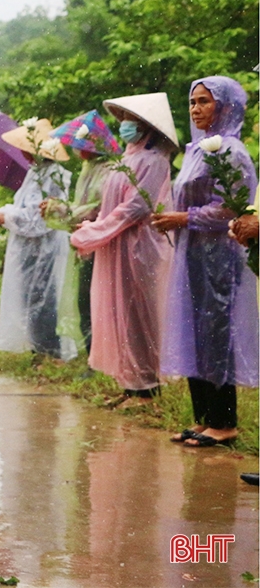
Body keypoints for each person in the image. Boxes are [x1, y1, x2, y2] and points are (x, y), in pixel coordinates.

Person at [151, 76, 258, 447]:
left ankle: (224, 422)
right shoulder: (196, 149)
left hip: (219, 256)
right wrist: (174, 218)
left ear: (226, 106)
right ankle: (204, 418)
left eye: (204, 101)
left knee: (216, 331)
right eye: (192, 101)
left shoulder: (230, 150)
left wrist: (183, 219)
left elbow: (233, 208)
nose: (196, 108)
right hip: (193, 252)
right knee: (193, 327)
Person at [71, 94, 176, 407]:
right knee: (121, 315)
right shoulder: (126, 160)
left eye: (132, 121)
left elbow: (137, 207)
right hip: (117, 248)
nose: (125, 127)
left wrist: (96, 232)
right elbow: (110, 206)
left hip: (139, 248)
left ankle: (147, 388)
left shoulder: (154, 161)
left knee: (139, 314)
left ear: (146, 127)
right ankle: (130, 383)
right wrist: (94, 229)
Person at [0, 119, 72, 358]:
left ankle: (49, 351)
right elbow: (24, 206)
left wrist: (5, 218)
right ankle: (36, 348)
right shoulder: (36, 173)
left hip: (45, 247)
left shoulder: (54, 176)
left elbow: (39, 218)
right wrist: (4, 212)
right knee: (29, 298)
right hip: (30, 248)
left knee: (44, 300)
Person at [45, 110, 119, 354]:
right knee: (84, 301)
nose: (76, 150)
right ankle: (91, 353)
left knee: (95, 301)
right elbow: (81, 206)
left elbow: (98, 208)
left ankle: (99, 354)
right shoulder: (89, 168)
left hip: (101, 242)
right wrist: (58, 208)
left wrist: (62, 210)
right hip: (85, 243)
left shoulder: (110, 170)